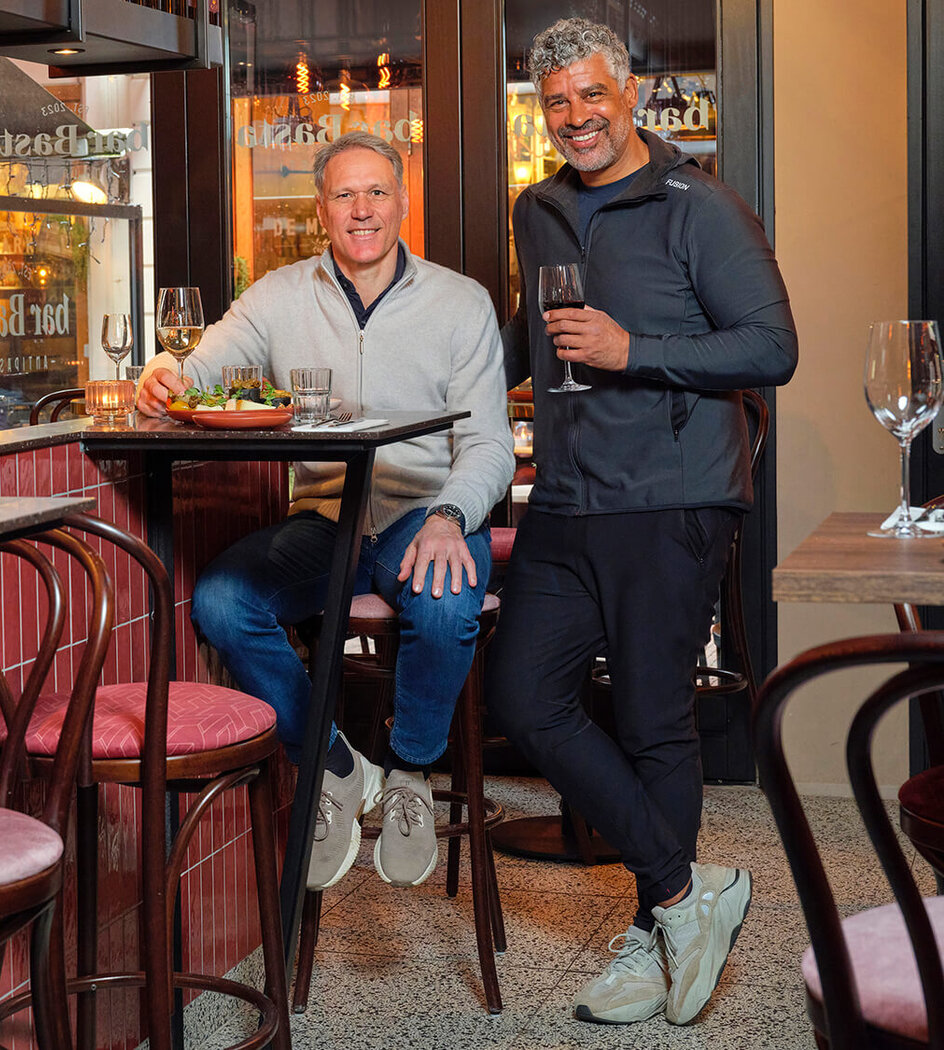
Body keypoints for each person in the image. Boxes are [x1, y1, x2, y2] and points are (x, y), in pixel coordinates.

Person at [488, 17, 797, 1028]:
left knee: (653, 715)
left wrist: (635, 349)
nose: (574, 118)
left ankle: (645, 933)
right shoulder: (535, 210)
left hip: (671, 494)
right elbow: (527, 348)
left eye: (589, 95)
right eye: (555, 103)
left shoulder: (694, 204)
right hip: (568, 493)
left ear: (629, 94)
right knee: (526, 699)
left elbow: (769, 346)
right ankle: (681, 895)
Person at [136, 131, 514, 890]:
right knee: (220, 599)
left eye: (377, 192)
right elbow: (206, 358)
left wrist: (450, 515)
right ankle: (336, 762)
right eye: (345, 195)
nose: (363, 209)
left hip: (421, 512)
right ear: (321, 211)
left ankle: (409, 775)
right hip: (325, 521)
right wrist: (167, 370)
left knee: (446, 600)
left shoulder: (459, 303)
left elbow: (490, 446)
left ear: (404, 203)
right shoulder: (278, 295)